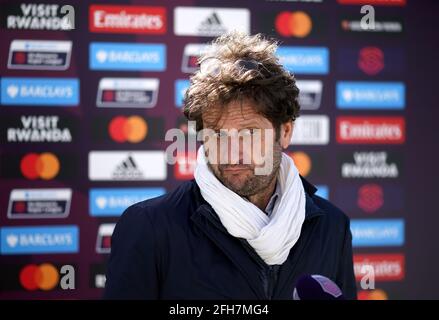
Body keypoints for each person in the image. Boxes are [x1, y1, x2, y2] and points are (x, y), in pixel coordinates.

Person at [104, 32, 357, 300]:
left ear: (285, 132)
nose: (232, 153)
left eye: (249, 133)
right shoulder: (150, 228)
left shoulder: (332, 227)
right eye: (218, 134)